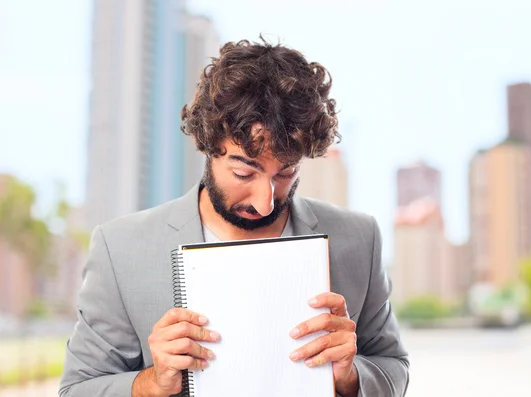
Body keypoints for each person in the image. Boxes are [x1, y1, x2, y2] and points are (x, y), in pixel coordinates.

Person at [60, 37, 409, 397]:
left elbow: (394, 367)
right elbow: (78, 388)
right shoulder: (120, 249)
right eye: (244, 173)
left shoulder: (358, 238)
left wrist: (349, 376)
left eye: (285, 173)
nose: (265, 203)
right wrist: (150, 383)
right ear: (207, 144)